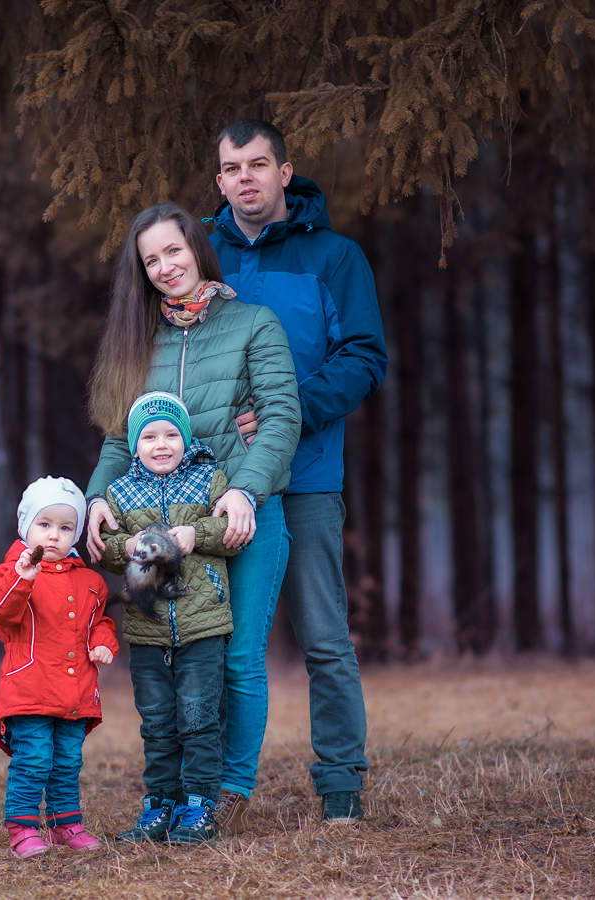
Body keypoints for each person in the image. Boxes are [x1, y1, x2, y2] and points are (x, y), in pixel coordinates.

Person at [84, 201, 301, 835]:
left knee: (236, 658)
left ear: (198, 249)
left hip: (239, 517)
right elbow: (119, 441)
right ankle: (175, 797)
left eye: (173, 251)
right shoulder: (138, 340)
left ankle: (228, 792)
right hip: (158, 534)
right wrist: (98, 497)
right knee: (166, 667)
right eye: (150, 260)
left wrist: (248, 490)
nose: (164, 267)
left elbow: (281, 416)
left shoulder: (254, 323)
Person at [210, 119, 388, 824]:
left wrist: (289, 411)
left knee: (323, 635)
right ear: (219, 180)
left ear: (287, 172)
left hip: (306, 473)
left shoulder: (335, 257)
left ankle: (341, 783)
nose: (245, 178)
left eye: (259, 164)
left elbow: (364, 358)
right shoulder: (201, 253)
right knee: (211, 638)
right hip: (213, 481)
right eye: (232, 168)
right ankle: (209, 786)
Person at [97, 391, 238, 844]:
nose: (162, 444)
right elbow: (109, 551)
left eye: (172, 434)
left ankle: (199, 807)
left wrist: (197, 535)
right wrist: (131, 546)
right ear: (135, 445)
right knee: (156, 721)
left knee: (198, 717)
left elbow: (234, 536)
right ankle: (161, 805)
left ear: (186, 438)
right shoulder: (120, 493)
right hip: (148, 627)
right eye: (150, 436)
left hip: (201, 625)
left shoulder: (209, 480)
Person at [0, 475, 119, 859]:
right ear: (27, 526)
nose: (54, 535)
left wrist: (103, 642)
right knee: (35, 757)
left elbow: (99, 622)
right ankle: (22, 828)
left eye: (65, 527)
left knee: (67, 760)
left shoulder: (90, 581)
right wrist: (22, 578)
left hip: (75, 691)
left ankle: (65, 824)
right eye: (44, 525)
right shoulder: (12, 574)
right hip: (30, 690)